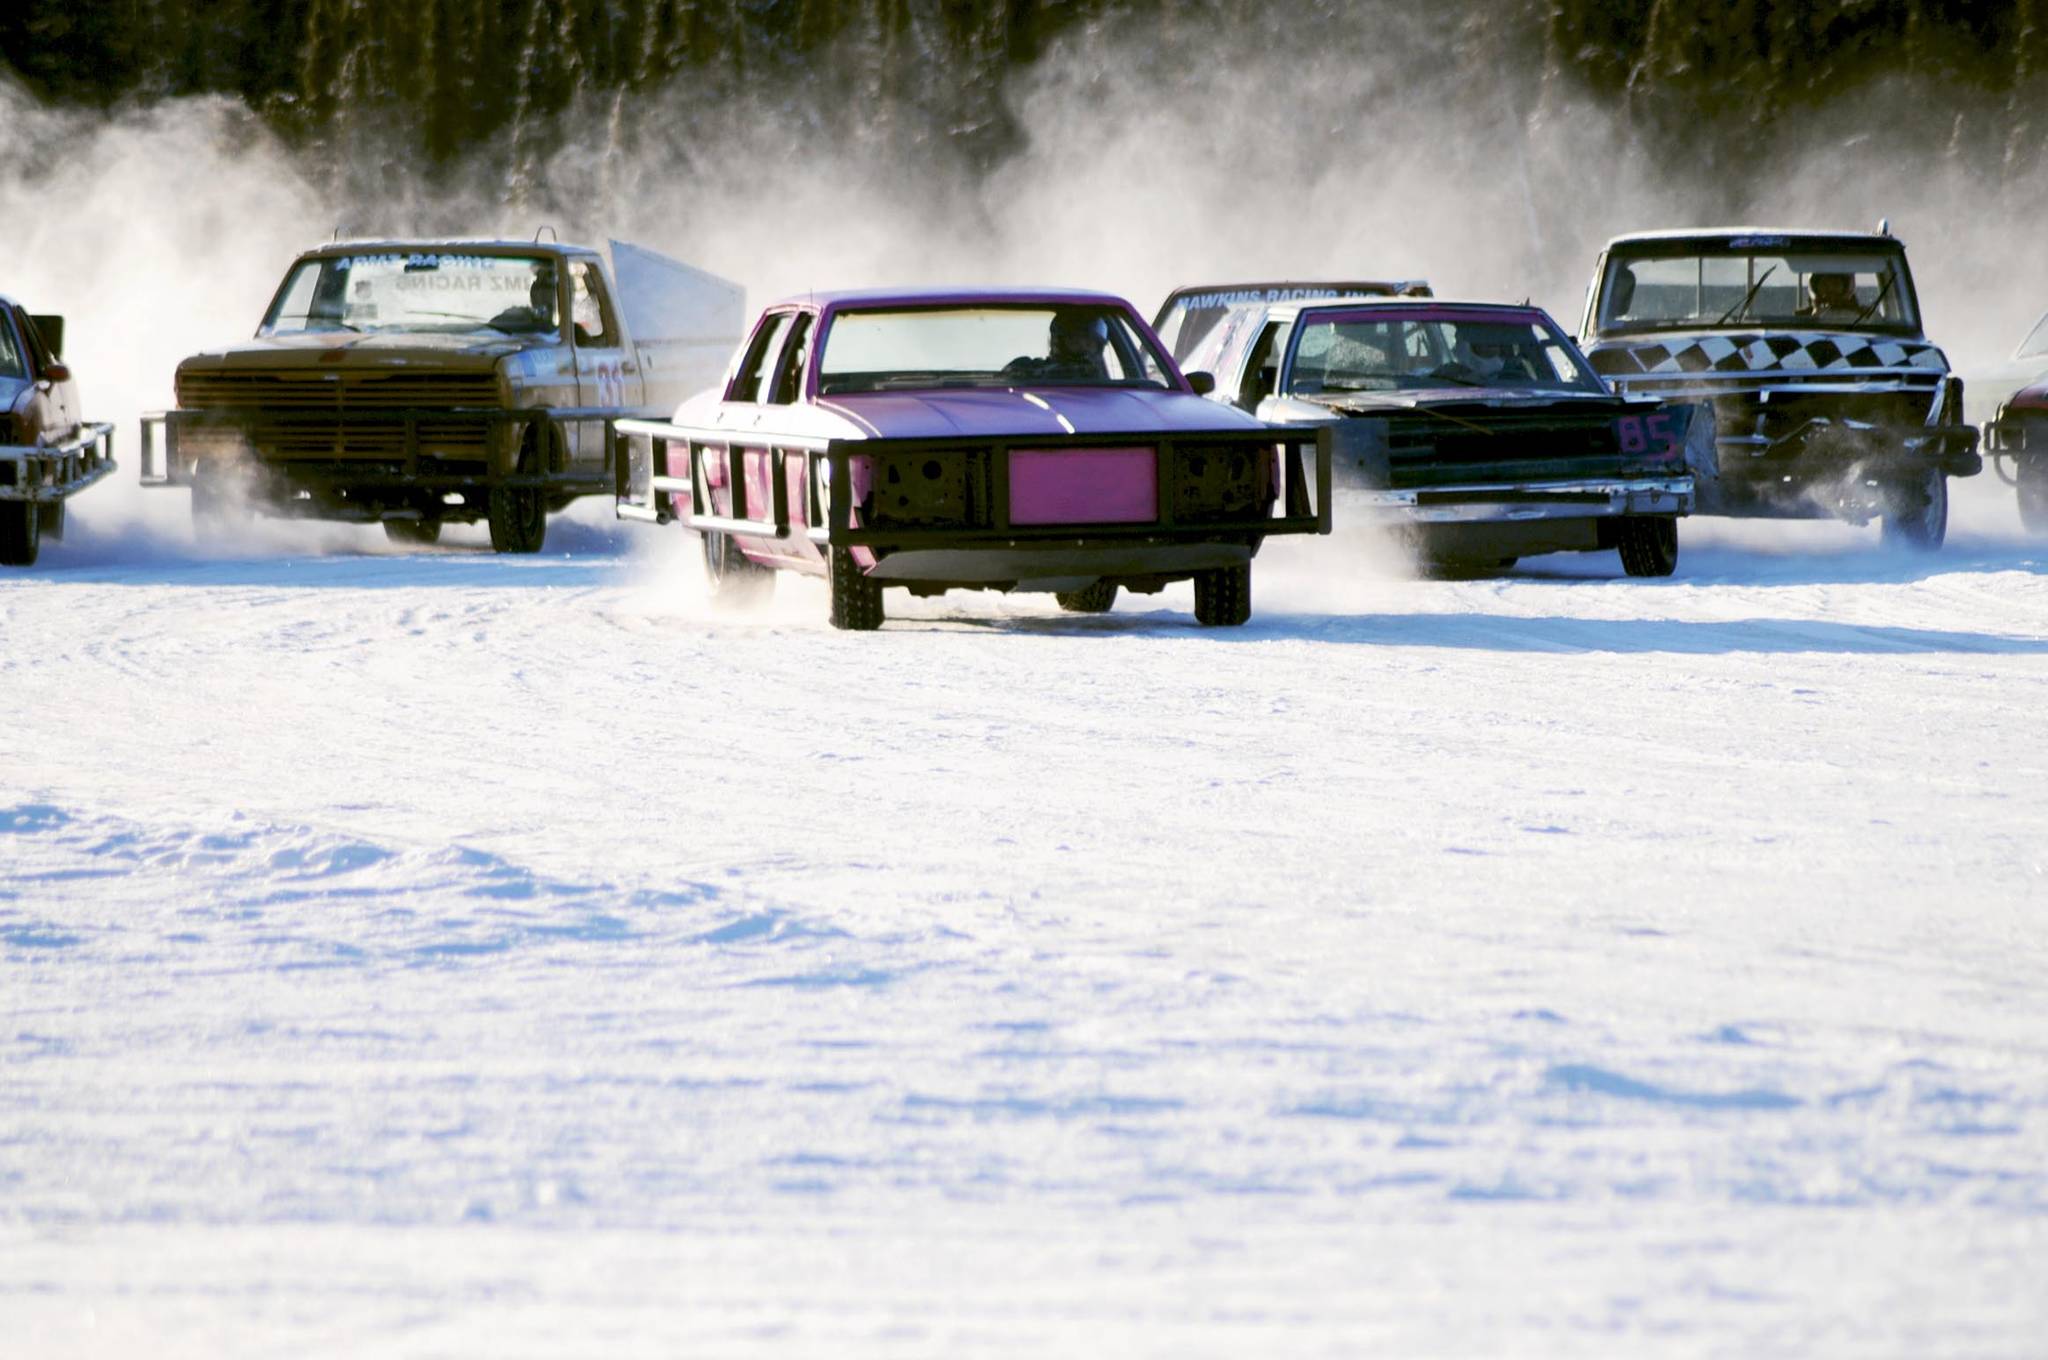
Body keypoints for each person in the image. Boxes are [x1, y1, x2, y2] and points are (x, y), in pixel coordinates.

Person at [1005, 308, 1110, 380]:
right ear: (1060, 340)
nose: (1090, 346)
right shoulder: (1024, 366)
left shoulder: (1097, 377)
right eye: (1083, 337)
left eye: (1093, 342)